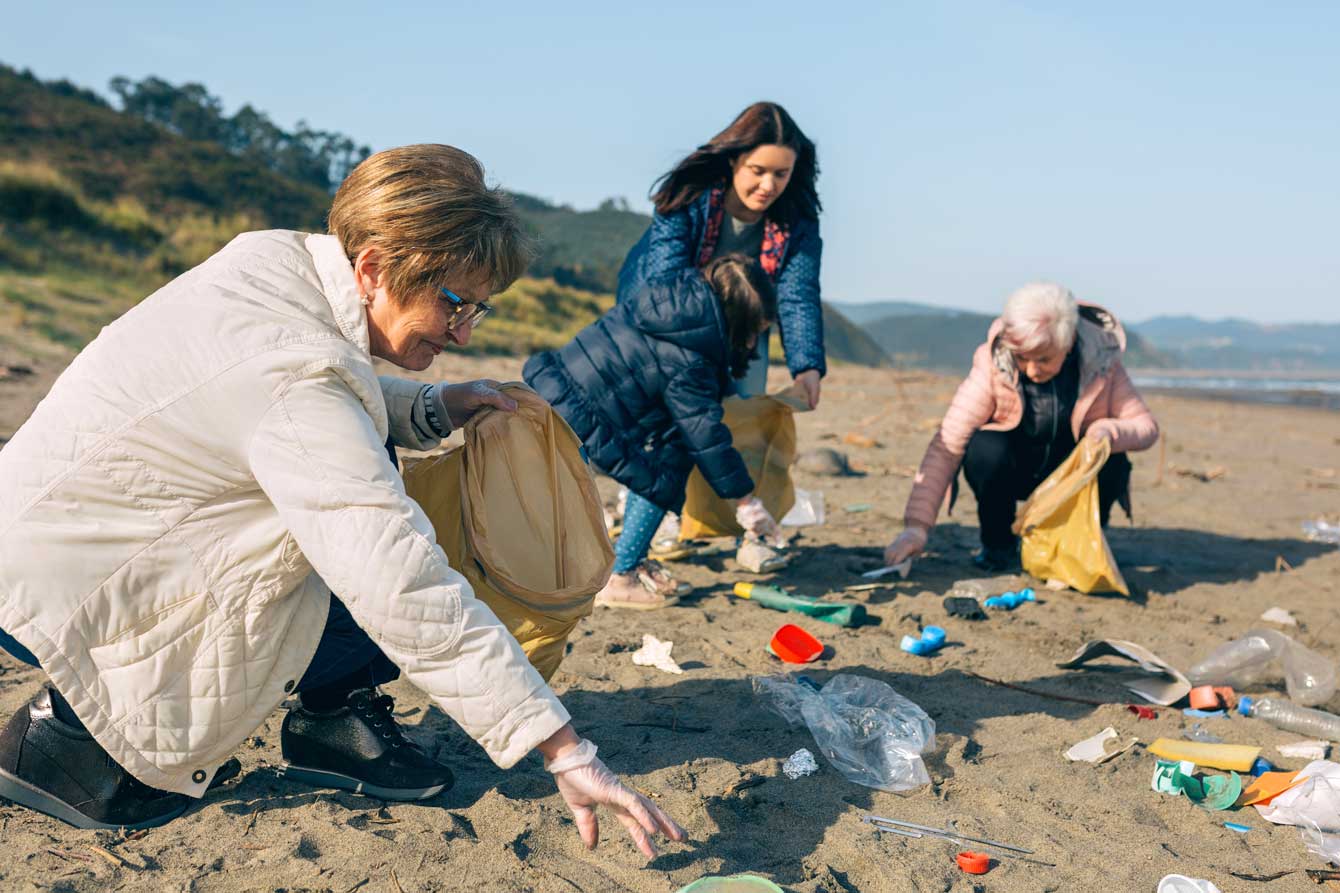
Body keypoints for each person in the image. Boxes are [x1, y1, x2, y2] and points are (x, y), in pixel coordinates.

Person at [0, 144, 683, 856]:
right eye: (453, 302)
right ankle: (68, 733)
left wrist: (433, 406)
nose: (464, 332)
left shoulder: (279, 262)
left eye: (479, 308)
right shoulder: (296, 378)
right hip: (59, 589)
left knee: (367, 470)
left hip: (48, 534)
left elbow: (317, 381)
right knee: (367, 530)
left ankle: (330, 716)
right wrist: (564, 750)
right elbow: (398, 576)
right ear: (375, 268)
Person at [617, 100, 825, 568]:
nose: (768, 185)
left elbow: (796, 294)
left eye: (781, 174)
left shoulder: (797, 221)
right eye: (758, 170)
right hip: (664, 321)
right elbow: (663, 282)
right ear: (733, 160)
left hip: (745, 331)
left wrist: (807, 366)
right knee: (665, 428)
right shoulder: (688, 197)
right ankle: (659, 526)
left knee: (739, 421)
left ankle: (745, 532)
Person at [524, 254, 786, 609]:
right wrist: (746, 502)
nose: (754, 343)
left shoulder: (666, 301)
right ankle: (621, 577)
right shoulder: (690, 357)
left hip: (551, 395)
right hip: (578, 423)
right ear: (736, 321)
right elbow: (705, 437)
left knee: (664, 446)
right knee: (666, 469)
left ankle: (630, 559)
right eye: (754, 331)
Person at [883, 282, 1159, 573]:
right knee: (983, 448)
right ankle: (998, 546)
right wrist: (916, 527)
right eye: (1022, 357)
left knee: (1112, 458)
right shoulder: (992, 363)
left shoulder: (1102, 363)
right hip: (1014, 474)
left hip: (1071, 481)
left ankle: (1074, 542)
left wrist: (1108, 431)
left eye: (1044, 358)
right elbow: (948, 444)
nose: (1031, 369)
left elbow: (1146, 427)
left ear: (1069, 343)